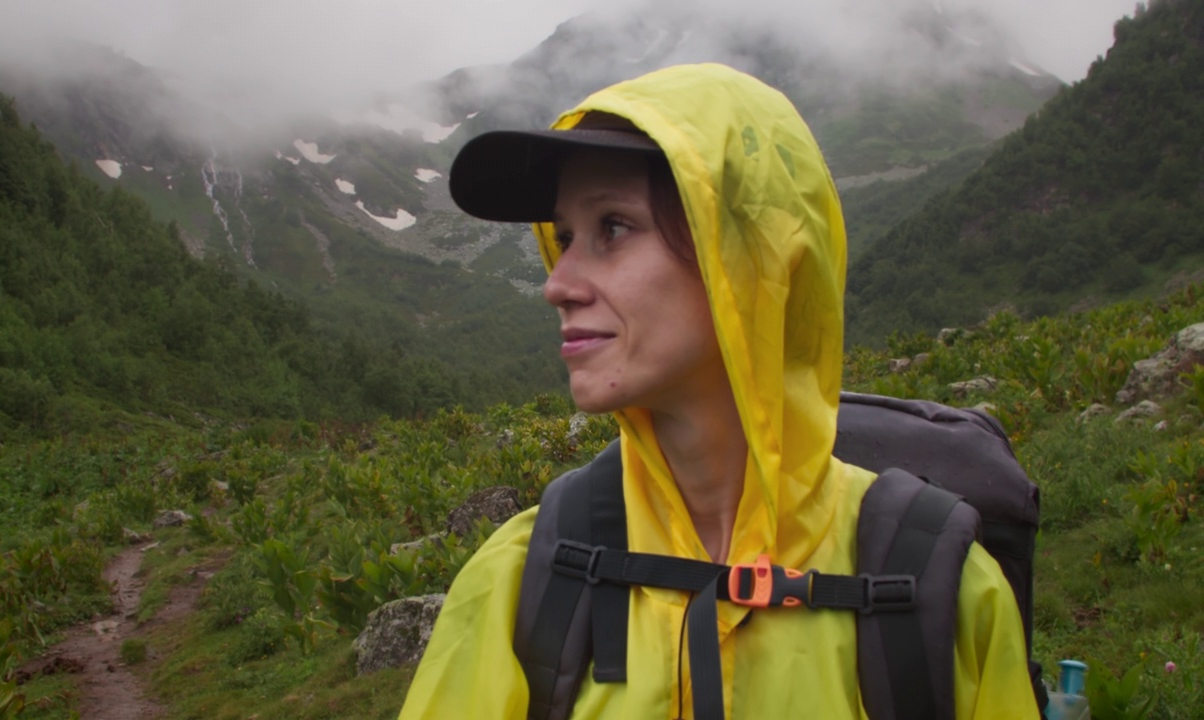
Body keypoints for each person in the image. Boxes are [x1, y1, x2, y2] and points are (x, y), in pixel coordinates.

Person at [399, 63, 1036, 718]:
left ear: (747, 255)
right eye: (563, 238)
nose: (558, 282)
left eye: (612, 227)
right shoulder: (516, 582)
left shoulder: (941, 589)